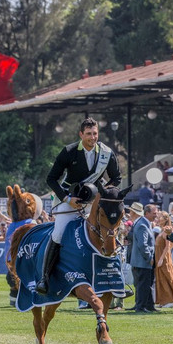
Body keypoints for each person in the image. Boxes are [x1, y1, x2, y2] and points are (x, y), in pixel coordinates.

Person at [42, 117, 122, 295]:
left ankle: (114, 278)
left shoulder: (106, 153)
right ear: (81, 134)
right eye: (88, 134)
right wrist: (66, 199)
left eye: (95, 134)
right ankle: (45, 277)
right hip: (69, 201)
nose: (92, 137)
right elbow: (51, 178)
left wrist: (103, 192)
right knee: (58, 233)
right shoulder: (69, 151)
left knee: (109, 230)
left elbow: (116, 178)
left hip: (92, 202)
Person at [130, 203, 157, 313]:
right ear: (147, 213)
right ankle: (141, 307)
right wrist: (149, 257)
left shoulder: (146, 224)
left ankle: (149, 305)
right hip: (143, 261)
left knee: (147, 284)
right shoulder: (143, 225)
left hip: (143, 261)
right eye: (154, 213)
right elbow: (143, 244)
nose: (156, 215)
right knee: (143, 285)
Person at [154, 212, 173, 309]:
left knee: (167, 278)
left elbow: (167, 247)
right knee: (161, 279)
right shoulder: (161, 230)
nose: (158, 218)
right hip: (159, 256)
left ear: (166, 219)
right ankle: (164, 300)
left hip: (164, 258)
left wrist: (161, 259)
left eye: (160, 217)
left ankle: (171, 300)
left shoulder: (166, 230)